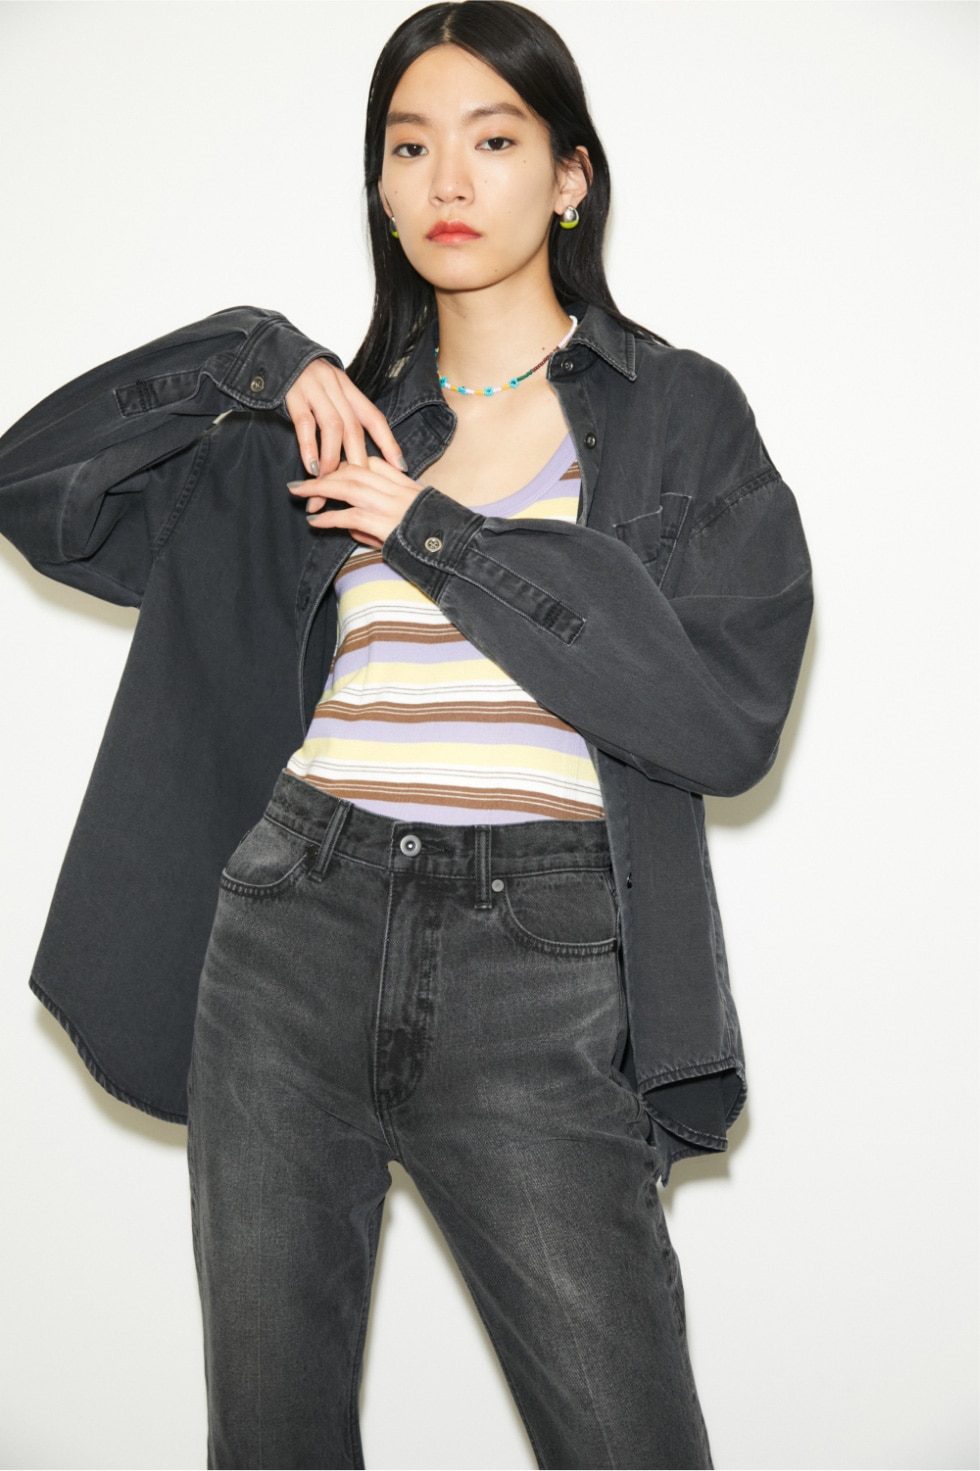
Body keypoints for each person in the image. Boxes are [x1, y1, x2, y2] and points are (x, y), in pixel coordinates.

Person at [0, 2, 812, 1466]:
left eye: (494, 141)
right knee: (272, 1441)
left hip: (542, 957)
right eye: (409, 145)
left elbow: (721, 717)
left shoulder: (681, 414)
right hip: (291, 926)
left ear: (569, 177)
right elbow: (33, 486)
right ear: (378, 183)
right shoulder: (331, 424)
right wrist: (252, 359)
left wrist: (436, 537)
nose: (448, 180)